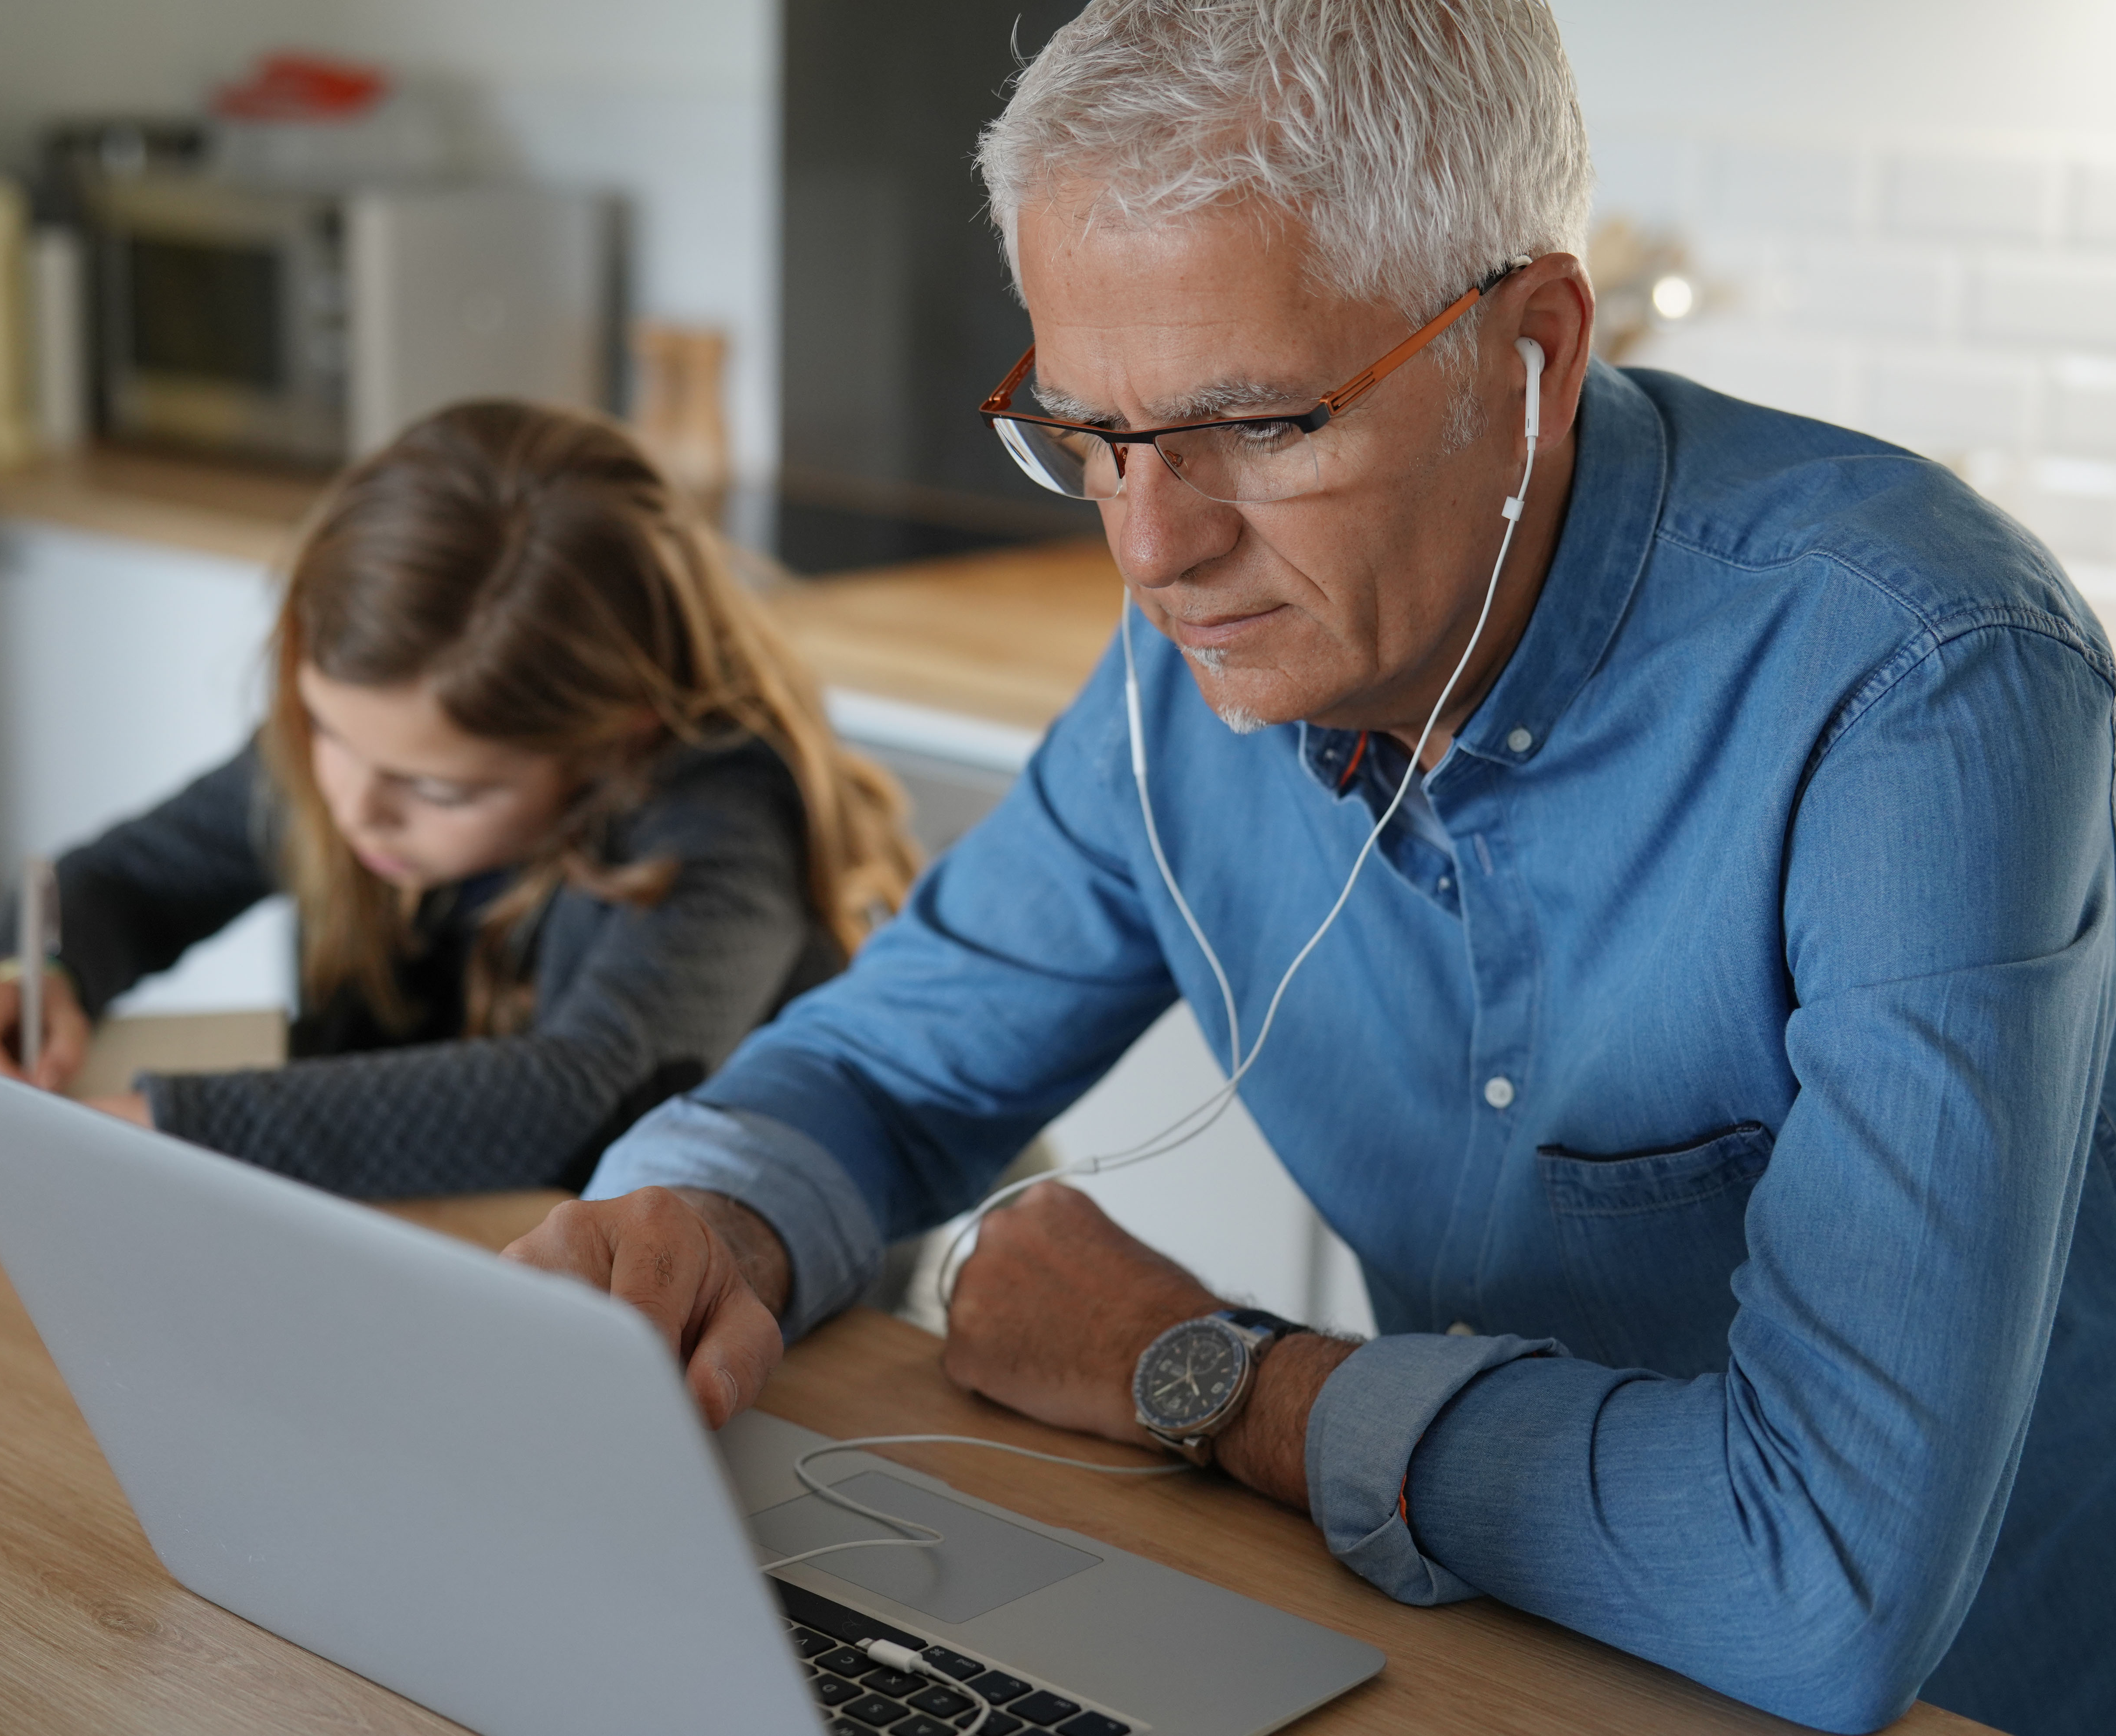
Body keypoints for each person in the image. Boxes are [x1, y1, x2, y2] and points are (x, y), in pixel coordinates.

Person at [502, 5, 2116, 1734]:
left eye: (1260, 424)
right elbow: (884, 1071)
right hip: (1461, 1659)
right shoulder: (1208, 656)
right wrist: (703, 1224)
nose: (1153, 550)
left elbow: (1816, 1584)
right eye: (1087, 433)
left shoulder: (1921, 685)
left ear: (1534, 352)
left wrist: (1205, 1373)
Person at [0, 399, 919, 1255]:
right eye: (328, 734)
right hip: (428, 1251)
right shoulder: (366, 749)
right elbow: (129, 879)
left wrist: (118, 1136)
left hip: (750, 1315)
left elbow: (571, 1090)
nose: (354, 806)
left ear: (615, 738)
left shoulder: (728, 814)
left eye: (440, 791)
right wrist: (25, 972)